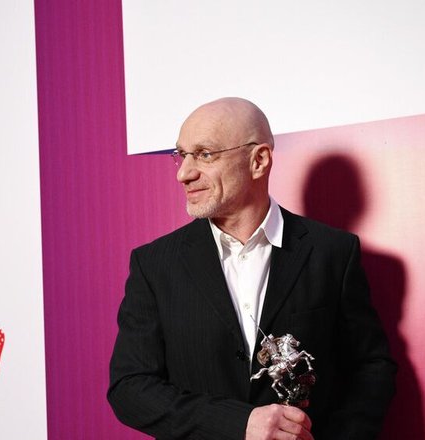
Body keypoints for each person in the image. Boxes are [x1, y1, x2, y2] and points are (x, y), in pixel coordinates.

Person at [108, 98, 396, 440]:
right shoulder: (155, 264)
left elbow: (371, 368)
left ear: (258, 161)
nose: (183, 173)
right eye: (181, 155)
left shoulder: (333, 252)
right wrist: (237, 424)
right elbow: (130, 387)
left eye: (204, 154)